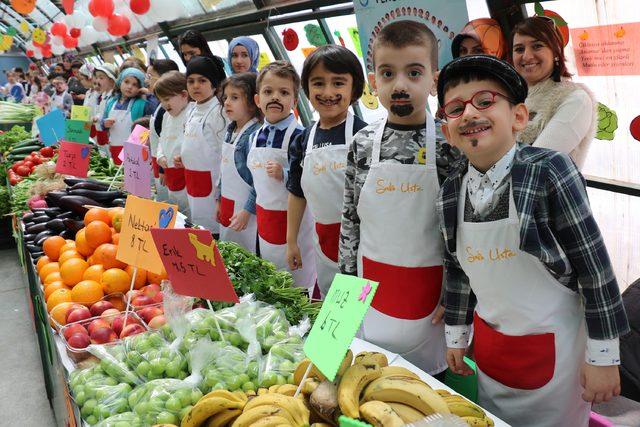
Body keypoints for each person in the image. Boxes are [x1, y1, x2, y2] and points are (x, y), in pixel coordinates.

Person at [437, 55, 629, 426]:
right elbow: (457, 269)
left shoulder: (549, 170)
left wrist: (604, 355)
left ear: (519, 118)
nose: (471, 114)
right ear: (447, 132)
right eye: (456, 108)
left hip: (555, 352)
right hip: (494, 352)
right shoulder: (450, 190)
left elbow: (595, 268)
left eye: (486, 101)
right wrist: (457, 335)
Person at [338, 20, 457, 376]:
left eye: (414, 73)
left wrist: (459, 295)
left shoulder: (451, 146)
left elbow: (460, 230)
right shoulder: (361, 143)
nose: (400, 85)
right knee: (362, 378)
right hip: (366, 291)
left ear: (434, 79)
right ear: (374, 81)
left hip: (431, 297)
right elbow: (350, 219)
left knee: (425, 388)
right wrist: (344, 294)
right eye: (388, 73)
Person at [286, 45, 368, 299]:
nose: (328, 92)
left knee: (361, 310)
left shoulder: (366, 136)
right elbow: (297, 192)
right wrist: (291, 242)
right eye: (318, 83)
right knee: (332, 309)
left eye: (338, 83)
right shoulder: (303, 139)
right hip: (322, 242)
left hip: (363, 243)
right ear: (307, 89)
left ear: (354, 89)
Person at [248, 61, 316, 290]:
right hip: (266, 224)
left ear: (295, 102)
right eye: (268, 92)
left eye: (284, 92)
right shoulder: (253, 137)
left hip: (294, 226)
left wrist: (285, 174)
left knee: (297, 286)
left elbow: (310, 184)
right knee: (273, 282)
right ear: (258, 100)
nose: (275, 97)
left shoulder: (301, 136)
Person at [511, 16, 596, 169]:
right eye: (519, 49)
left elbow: (535, 167)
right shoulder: (510, 97)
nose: (527, 56)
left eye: (537, 46)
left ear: (555, 52)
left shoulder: (575, 99)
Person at [177, 56, 227, 234]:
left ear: (214, 85)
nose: (195, 86)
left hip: (212, 187)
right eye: (191, 81)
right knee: (198, 229)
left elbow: (225, 155)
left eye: (202, 81)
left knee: (212, 232)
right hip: (193, 183)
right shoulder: (192, 108)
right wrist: (183, 157)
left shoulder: (219, 112)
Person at [216, 73, 263, 251]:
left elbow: (259, 182)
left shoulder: (254, 135)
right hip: (229, 206)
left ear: (253, 103)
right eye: (226, 97)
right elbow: (223, 171)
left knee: (247, 256)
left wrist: (247, 211)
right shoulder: (231, 130)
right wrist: (219, 199)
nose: (227, 102)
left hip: (247, 214)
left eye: (234, 98)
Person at [155, 71, 192, 216]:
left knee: (190, 212)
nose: (164, 105)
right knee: (178, 208)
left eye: (167, 99)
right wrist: (160, 156)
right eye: (161, 101)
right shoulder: (166, 116)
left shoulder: (191, 113)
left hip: (185, 173)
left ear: (184, 95)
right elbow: (161, 139)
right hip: (171, 173)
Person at [145, 59, 180, 202]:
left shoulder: (165, 110)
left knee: (168, 201)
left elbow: (165, 141)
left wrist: (162, 170)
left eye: (149, 77)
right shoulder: (159, 106)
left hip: (166, 168)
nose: (146, 81)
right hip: (158, 162)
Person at [102, 67, 151, 164]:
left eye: (135, 85)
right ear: (120, 82)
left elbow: (148, 125)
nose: (129, 87)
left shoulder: (142, 104)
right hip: (114, 147)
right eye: (126, 82)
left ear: (140, 88)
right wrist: (104, 123)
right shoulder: (111, 102)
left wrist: (148, 94)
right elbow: (103, 121)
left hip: (134, 150)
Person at [92, 63, 118, 157]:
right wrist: (97, 117)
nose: (97, 81)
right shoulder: (103, 95)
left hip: (110, 135)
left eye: (101, 78)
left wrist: (98, 118)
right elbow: (101, 112)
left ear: (112, 80)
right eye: (97, 77)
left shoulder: (114, 97)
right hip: (101, 133)